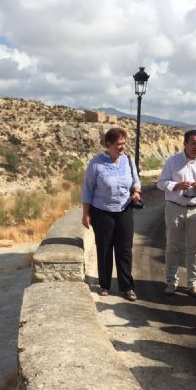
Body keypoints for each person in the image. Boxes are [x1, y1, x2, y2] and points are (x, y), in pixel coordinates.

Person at [82, 127, 141, 302]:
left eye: (124, 143)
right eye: (118, 144)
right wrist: (86, 213)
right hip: (102, 212)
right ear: (108, 144)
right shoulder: (96, 163)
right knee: (105, 248)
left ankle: (127, 287)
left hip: (124, 210)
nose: (122, 147)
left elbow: (136, 181)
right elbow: (87, 189)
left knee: (124, 250)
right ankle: (105, 284)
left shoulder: (128, 161)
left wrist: (136, 192)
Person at [157, 129, 196, 298]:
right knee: (172, 246)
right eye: (193, 143)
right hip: (175, 207)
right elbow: (161, 183)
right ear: (185, 144)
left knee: (194, 248)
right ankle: (171, 282)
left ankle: (193, 283)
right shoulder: (173, 161)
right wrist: (175, 186)